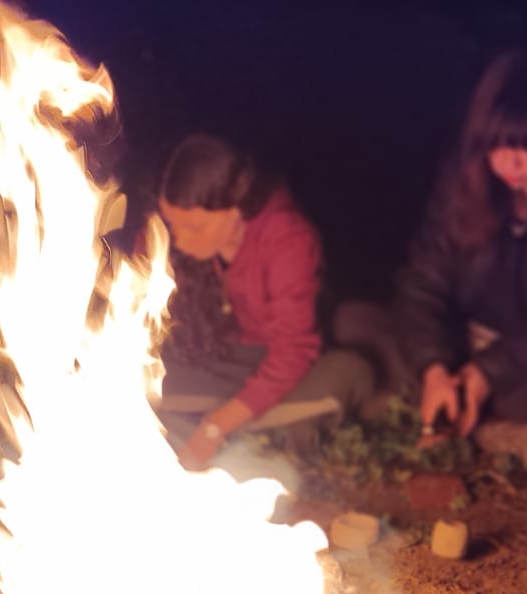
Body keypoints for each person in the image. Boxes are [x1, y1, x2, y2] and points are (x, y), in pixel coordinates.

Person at [335, 50, 527, 471]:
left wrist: (488, 372)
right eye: (497, 144)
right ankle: (482, 418)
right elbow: (423, 282)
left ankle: (489, 420)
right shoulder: (464, 179)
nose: (510, 163)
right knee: (357, 321)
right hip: (468, 344)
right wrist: (435, 367)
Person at [154, 133, 372, 469]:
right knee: (147, 380)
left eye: (193, 226)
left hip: (292, 367)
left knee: (351, 372)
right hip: (233, 362)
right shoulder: (196, 247)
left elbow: (293, 352)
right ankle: (245, 424)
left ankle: (240, 431)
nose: (180, 241)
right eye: (173, 225)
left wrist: (215, 427)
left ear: (235, 208)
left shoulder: (288, 240)